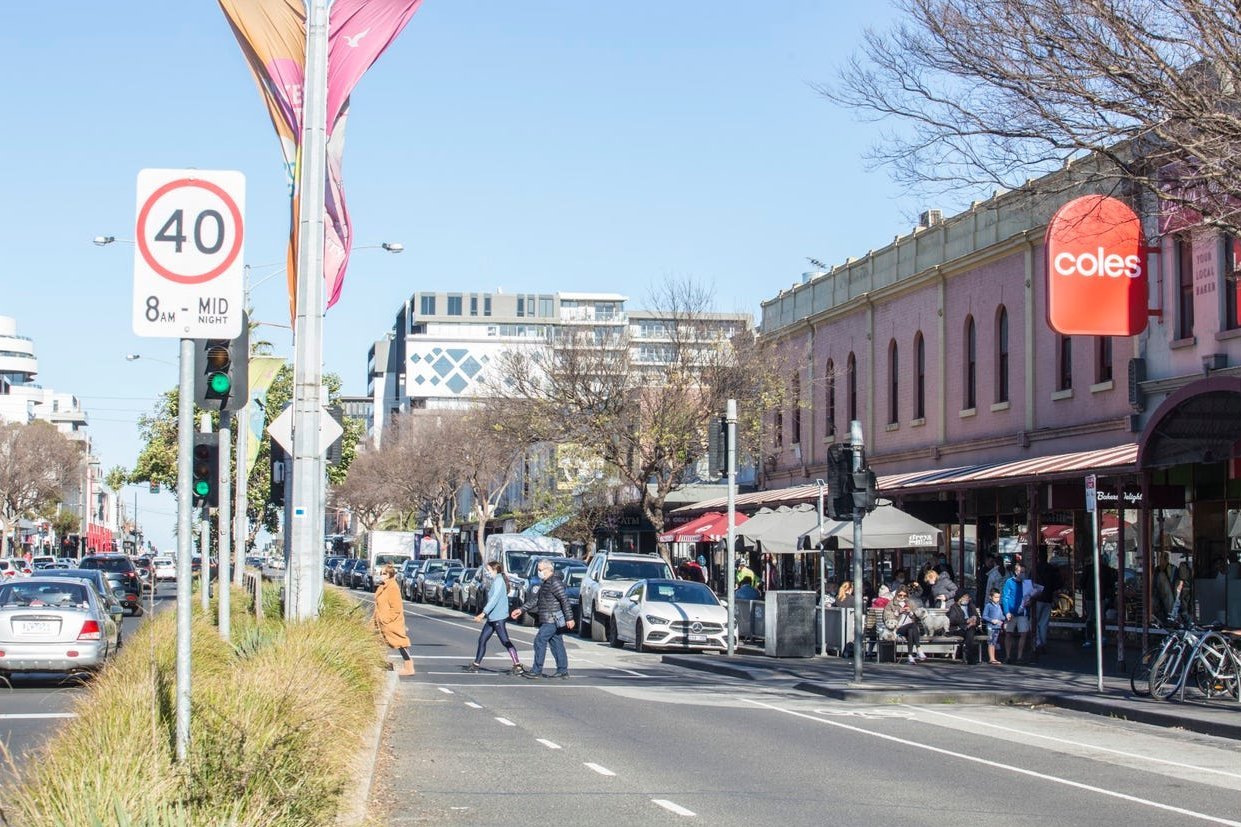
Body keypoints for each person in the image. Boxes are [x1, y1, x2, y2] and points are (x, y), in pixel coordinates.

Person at [511, 558, 575, 679]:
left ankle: (537, 670)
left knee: (540, 641)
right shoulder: (546, 582)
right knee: (556, 644)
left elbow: (564, 600)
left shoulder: (554, 582)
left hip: (552, 619)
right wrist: (521, 609)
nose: (539, 572)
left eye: (540, 570)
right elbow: (537, 599)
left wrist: (569, 618)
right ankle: (562, 670)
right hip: (548, 618)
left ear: (548, 569)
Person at [467, 561, 525, 675]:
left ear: (495, 570)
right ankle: (476, 664)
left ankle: (517, 665)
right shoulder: (496, 580)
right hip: (492, 617)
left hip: (498, 617)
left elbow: (494, 599)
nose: (487, 572)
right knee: (482, 639)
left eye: (489, 570)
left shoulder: (499, 581)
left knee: (505, 640)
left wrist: (483, 613)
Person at [373, 563, 414, 676]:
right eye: (381, 573)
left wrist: (386, 619)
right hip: (380, 621)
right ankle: (382, 664)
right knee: (376, 642)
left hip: (391, 623)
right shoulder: (383, 586)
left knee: (400, 644)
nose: (381, 575)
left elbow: (396, 607)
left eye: (384, 573)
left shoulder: (392, 587)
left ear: (390, 575)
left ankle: (409, 667)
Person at [882, 588, 925, 664]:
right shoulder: (891, 603)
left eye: (904, 595)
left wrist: (911, 612)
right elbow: (886, 617)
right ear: (896, 594)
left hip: (910, 628)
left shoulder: (911, 603)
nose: (902, 597)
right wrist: (897, 612)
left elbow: (918, 617)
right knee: (912, 626)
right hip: (897, 628)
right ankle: (919, 649)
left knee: (911, 630)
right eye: (900, 595)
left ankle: (910, 657)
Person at [1001, 561, 1030, 663]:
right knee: (1009, 633)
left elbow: (1029, 596)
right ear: (1016, 571)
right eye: (1021, 572)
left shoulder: (1026, 583)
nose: (1022, 574)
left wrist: (1029, 602)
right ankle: (1008, 656)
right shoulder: (1009, 582)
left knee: (1023, 633)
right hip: (1012, 612)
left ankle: (1019, 656)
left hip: (1023, 612)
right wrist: (1007, 612)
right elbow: (1005, 597)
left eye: (1024, 572)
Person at [947, 591, 981, 665]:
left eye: (968, 598)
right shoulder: (954, 607)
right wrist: (966, 621)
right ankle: (970, 658)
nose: (967, 599)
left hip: (971, 627)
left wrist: (975, 621)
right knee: (970, 633)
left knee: (970, 631)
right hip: (958, 629)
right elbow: (952, 620)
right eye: (965, 597)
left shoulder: (971, 606)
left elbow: (978, 618)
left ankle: (969, 657)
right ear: (960, 598)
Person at [982, 588, 1005, 665]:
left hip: (997, 627)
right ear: (990, 597)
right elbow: (984, 616)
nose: (997, 599)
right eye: (995, 597)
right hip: (990, 626)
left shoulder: (999, 606)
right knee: (990, 642)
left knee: (994, 642)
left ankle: (993, 657)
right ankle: (991, 658)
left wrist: (1004, 619)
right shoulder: (988, 605)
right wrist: (992, 620)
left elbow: (1001, 616)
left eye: (998, 597)